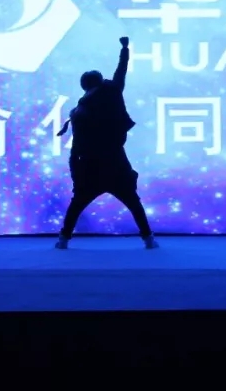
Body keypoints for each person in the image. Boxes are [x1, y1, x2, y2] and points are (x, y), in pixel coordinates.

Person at [54, 36, 158, 249]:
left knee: (77, 203)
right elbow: (121, 71)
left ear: (84, 87)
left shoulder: (79, 113)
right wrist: (125, 49)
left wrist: (75, 171)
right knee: (133, 202)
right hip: (114, 163)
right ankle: (148, 239)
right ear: (100, 82)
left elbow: (76, 147)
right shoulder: (111, 93)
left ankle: (63, 239)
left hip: (90, 165)